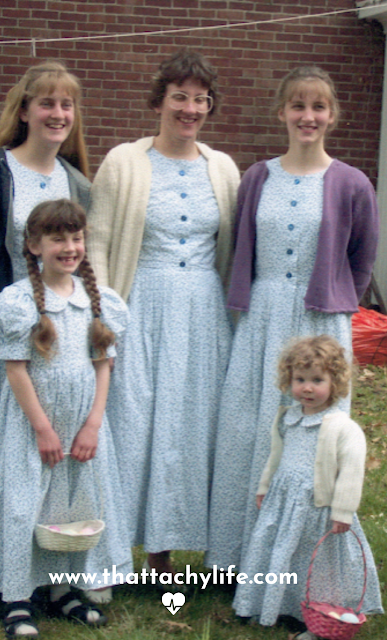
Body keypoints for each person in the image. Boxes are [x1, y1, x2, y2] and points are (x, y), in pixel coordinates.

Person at [207, 65, 379, 571]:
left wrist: (333, 297)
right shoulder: (258, 176)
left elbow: (362, 259)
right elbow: (242, 245)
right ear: (281, 111)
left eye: (319, 107)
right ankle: (240, 558)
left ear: (332, 116)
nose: (308, 116)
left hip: (319, 319)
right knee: (250, 429)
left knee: (314, 438)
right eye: (298, 106)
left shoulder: (351, 182)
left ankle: (304, 564)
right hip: (262, 317)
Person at [87, 48, 240, 578]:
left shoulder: (222, 169)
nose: (190, 108)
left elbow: (232, 249)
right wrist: (103, 315)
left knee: (189, 427)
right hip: (139, 306)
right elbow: (99, 244)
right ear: (160, 100)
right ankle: (108, 553)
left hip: (202, 312)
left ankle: (166, 555)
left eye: (201, 99)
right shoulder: (124, 161)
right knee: (130, 424)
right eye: (180, 96)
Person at [0, 199, 133, 637]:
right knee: (25, 509)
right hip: (32, 427)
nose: (69, 246)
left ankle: (63, 589)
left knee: (70, 509)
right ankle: (17, 599)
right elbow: (16, 368)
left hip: (82, 427)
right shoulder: (19, 302)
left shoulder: (98, 301)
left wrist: (94, 423)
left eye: (76, 237)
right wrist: (41, 428)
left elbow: (103, 364)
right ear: (34, 244)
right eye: (58, 238)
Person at [0, 60, 91, 611]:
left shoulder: (77, 181)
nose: (57, 113)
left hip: (54, 347)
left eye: (66, 104)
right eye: (47, 103)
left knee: (36, 463)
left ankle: (34, 573)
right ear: (24, 110)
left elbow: (82, 263)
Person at [231, 335, 383, 637]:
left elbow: (352, 472)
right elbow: (276, 457)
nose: (308, 387)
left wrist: (342, 511)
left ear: (335, 381)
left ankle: (318, 611)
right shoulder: (288, 419)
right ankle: (275, 604)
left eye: (317, 380)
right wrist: (264, 487)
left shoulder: (342, 427)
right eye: (300, 379)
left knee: (317, 563)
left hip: (320, 509)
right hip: (284, 503)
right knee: (281, 553)